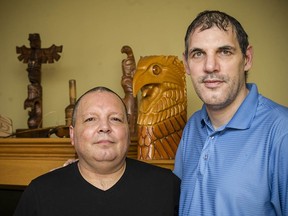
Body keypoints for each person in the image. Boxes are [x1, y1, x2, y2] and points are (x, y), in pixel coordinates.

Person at [174, 10, 288, 215]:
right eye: (198, 53)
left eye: (224, 51)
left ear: (247, 58)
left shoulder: (281, 132)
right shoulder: (193, 127)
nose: (210, 66)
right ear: (186, 64)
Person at [14, 86, 180, 216]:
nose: (104, 127)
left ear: (129, 133)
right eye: (90, 119)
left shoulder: (167, 186)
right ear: (72, 134)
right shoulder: (40, 193)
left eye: (115, 119)